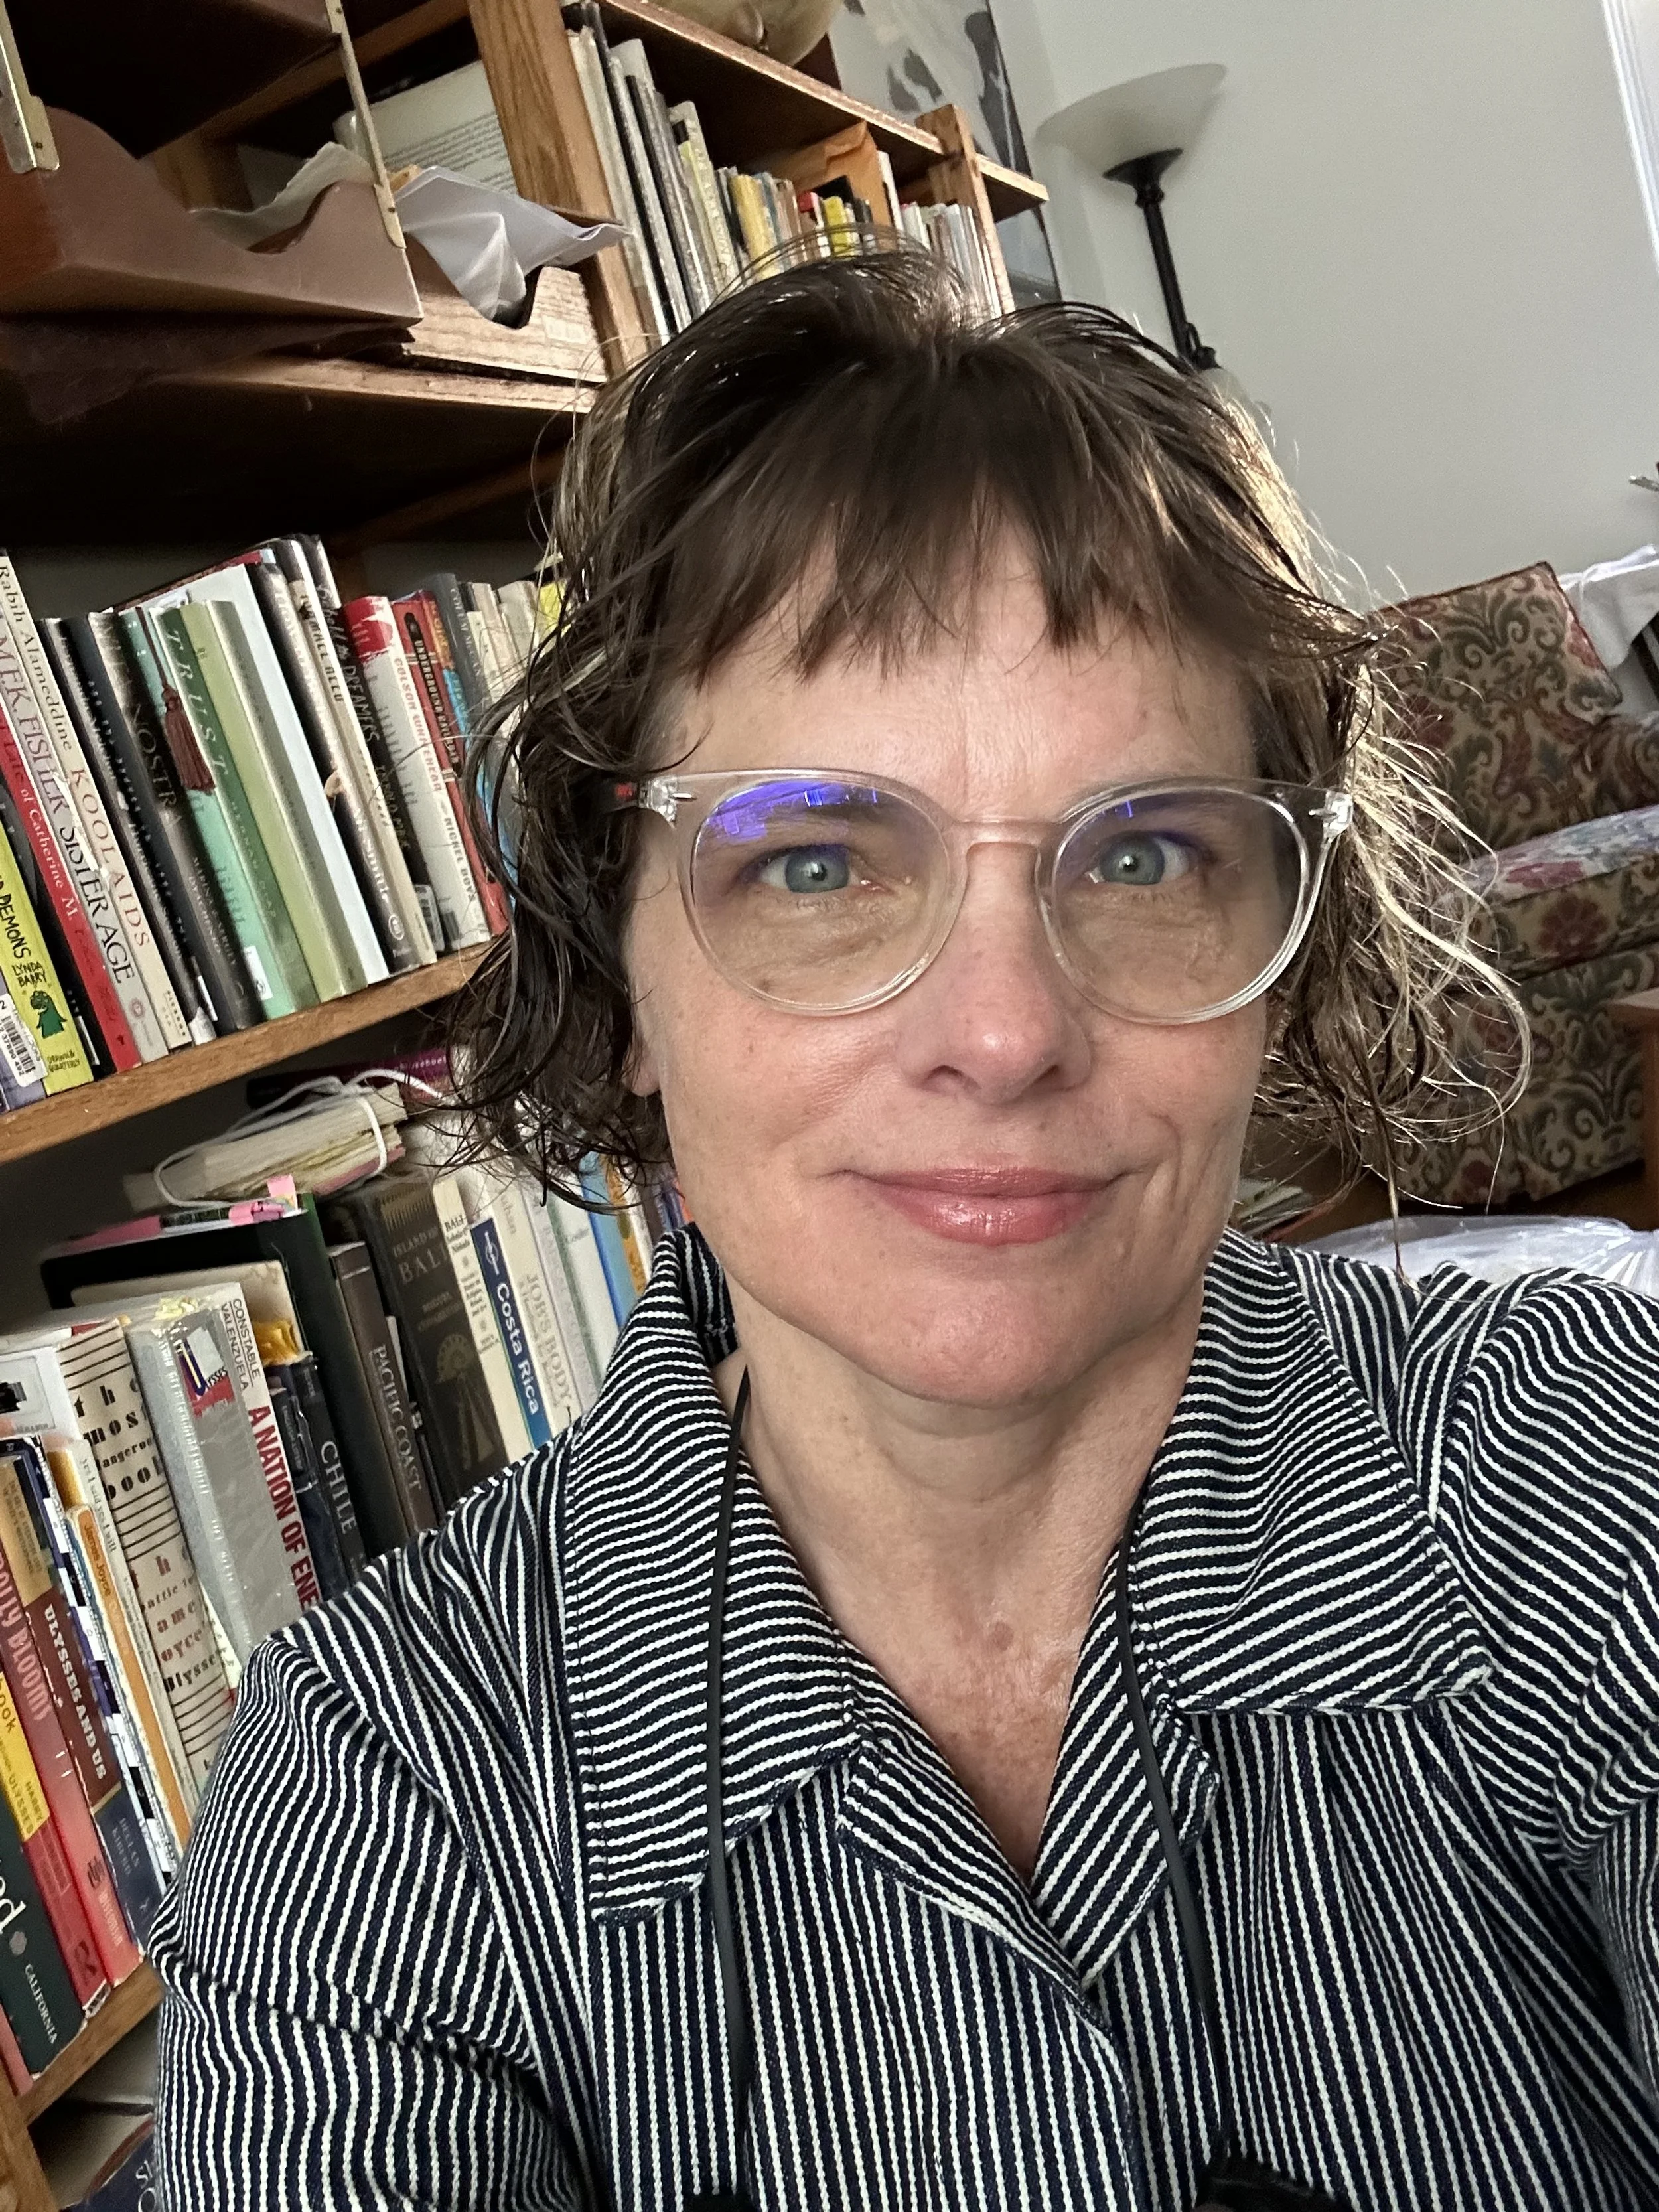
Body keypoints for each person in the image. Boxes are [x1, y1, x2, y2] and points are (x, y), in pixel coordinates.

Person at [151, 254, 1659, 2212]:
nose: (1004, 1033)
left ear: (1282, 960)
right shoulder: (375, 1795)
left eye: (1142, 852)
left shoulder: (1588, 1468)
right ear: (614, 972)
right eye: (815, 861)